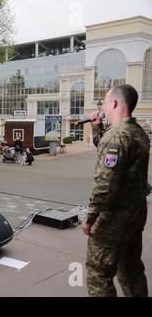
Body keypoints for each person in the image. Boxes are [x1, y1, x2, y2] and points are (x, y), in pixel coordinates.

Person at [82, 84, 149, 297]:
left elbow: (105, 184)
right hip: (134, 216)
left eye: (104, 102)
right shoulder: (138, 133)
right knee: (131, 269)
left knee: (98, 272)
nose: (103, 107)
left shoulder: (116, 136)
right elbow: (111, 153)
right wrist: (97, 127)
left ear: (114, 103)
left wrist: (90, 217)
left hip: (113, 219)